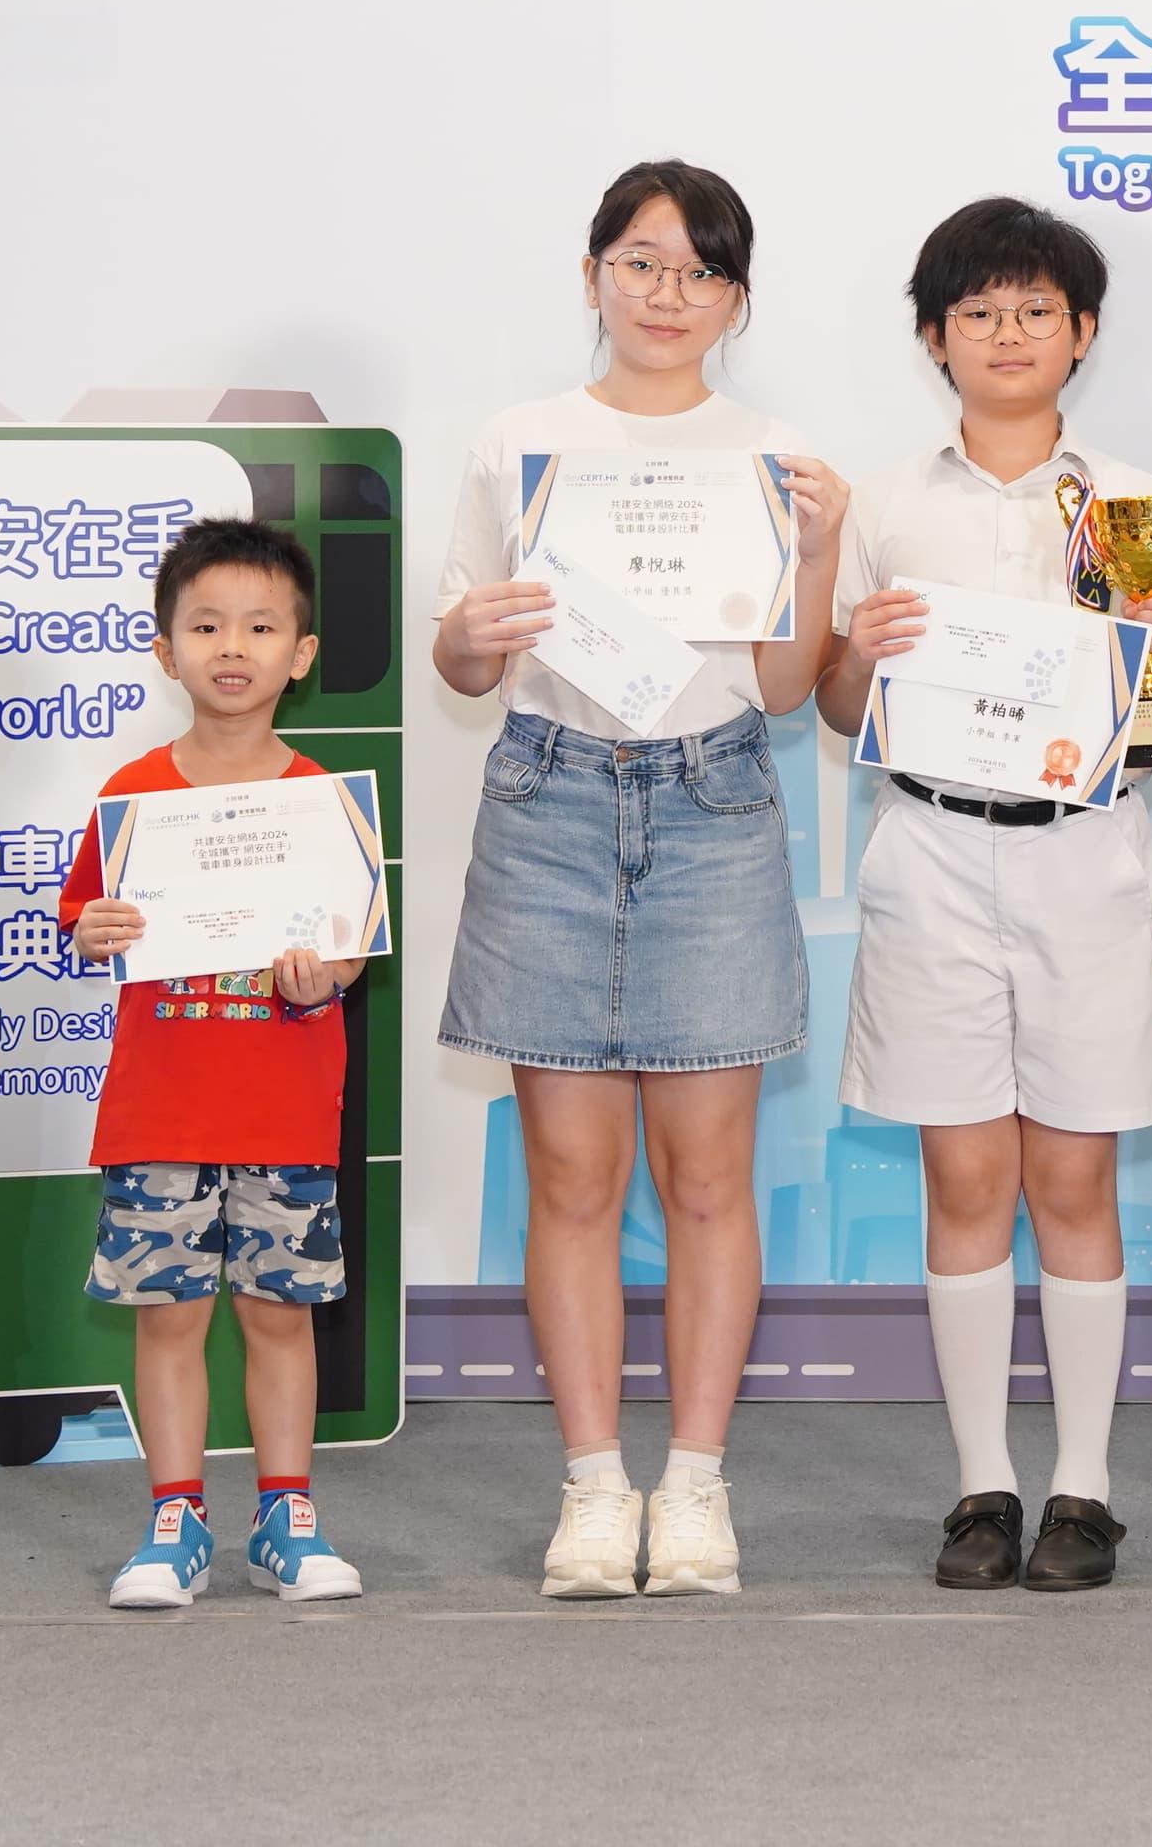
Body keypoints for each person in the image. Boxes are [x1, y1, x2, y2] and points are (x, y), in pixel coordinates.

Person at [435, 160, 847, 1600]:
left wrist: (819, 549)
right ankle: (594, 1488)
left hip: (715, 798)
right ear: (595, 273)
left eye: (698, 272)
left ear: (736, 298)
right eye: (639, 262)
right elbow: (463, 662)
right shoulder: (521, 443)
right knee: (571, 1173)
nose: (666, 296)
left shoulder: (777, 455)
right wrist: (477, 634)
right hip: (551, 792)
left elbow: (792, 688)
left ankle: (699, 1486)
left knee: (709, 1175)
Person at [814, 197, 1152, 1594]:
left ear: (1084, 332)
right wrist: (855, 647)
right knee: (964, 1176)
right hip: (929, 848)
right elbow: (845, 713)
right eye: (978, 312)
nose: (1009, 333)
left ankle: (1085, 1489)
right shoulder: (887, 505)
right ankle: (982, 1484)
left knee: (1074, 1176)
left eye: (1038, 309)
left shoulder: (1145, 505)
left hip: (1085, 852)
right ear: (934, 338)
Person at [59, 517, 364, 1610]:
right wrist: (93, 926)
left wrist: (318, 977)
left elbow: (346, 949)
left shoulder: (325, 798)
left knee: (280, 1314)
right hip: (160, 1115)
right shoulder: (132, 792)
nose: (232, 645)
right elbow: (84, 916)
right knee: (169, 1315)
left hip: (282, 1112)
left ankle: (287, 1515)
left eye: (260, 624)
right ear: (164, 646)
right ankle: (173, 1519)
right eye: (205, 624)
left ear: (302, 652)